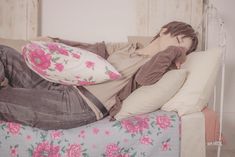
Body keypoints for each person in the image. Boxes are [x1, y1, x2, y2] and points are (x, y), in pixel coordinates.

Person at [0, 21, 198, 130]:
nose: (178, 48)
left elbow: (144, 79)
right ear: (164, 30)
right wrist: (54, 40)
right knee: (4, 53)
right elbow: (90, 49)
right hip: (63, 85)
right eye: (178, 40)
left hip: (80, 105)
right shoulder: (128, 48)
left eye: (183, 49)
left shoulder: (160, 66)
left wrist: (172, 52)